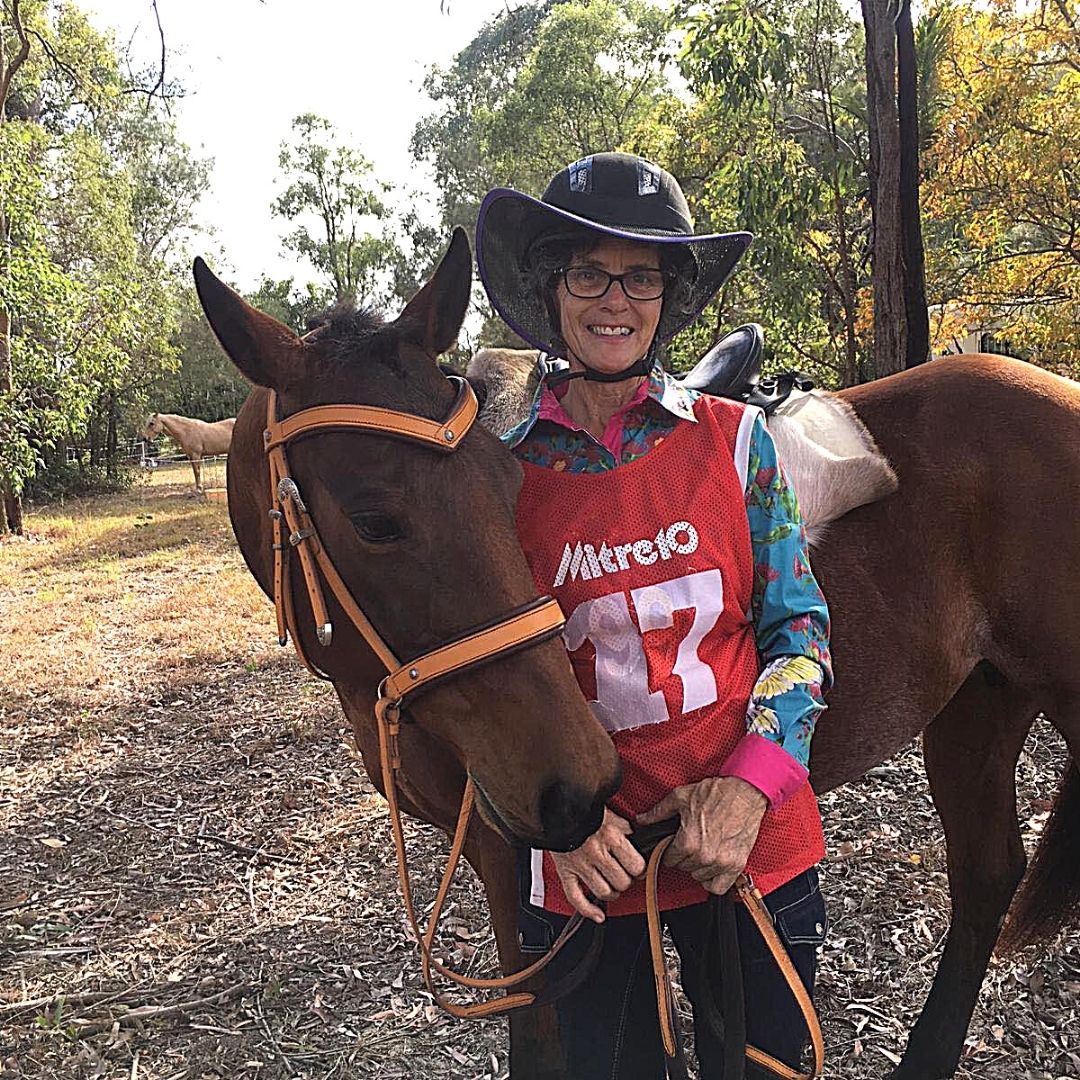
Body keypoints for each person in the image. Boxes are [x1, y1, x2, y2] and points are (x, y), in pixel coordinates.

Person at [475, 152, 832, 1078]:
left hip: (747, 847)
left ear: (668, 295)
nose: (613, 299)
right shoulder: (496, 478)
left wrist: (751, 783)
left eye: (639, 276)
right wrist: (551, 828)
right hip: (588, 869)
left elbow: (800, 635)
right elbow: (477, 685)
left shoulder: (738, 442)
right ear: (551, 288)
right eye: (588, 272)